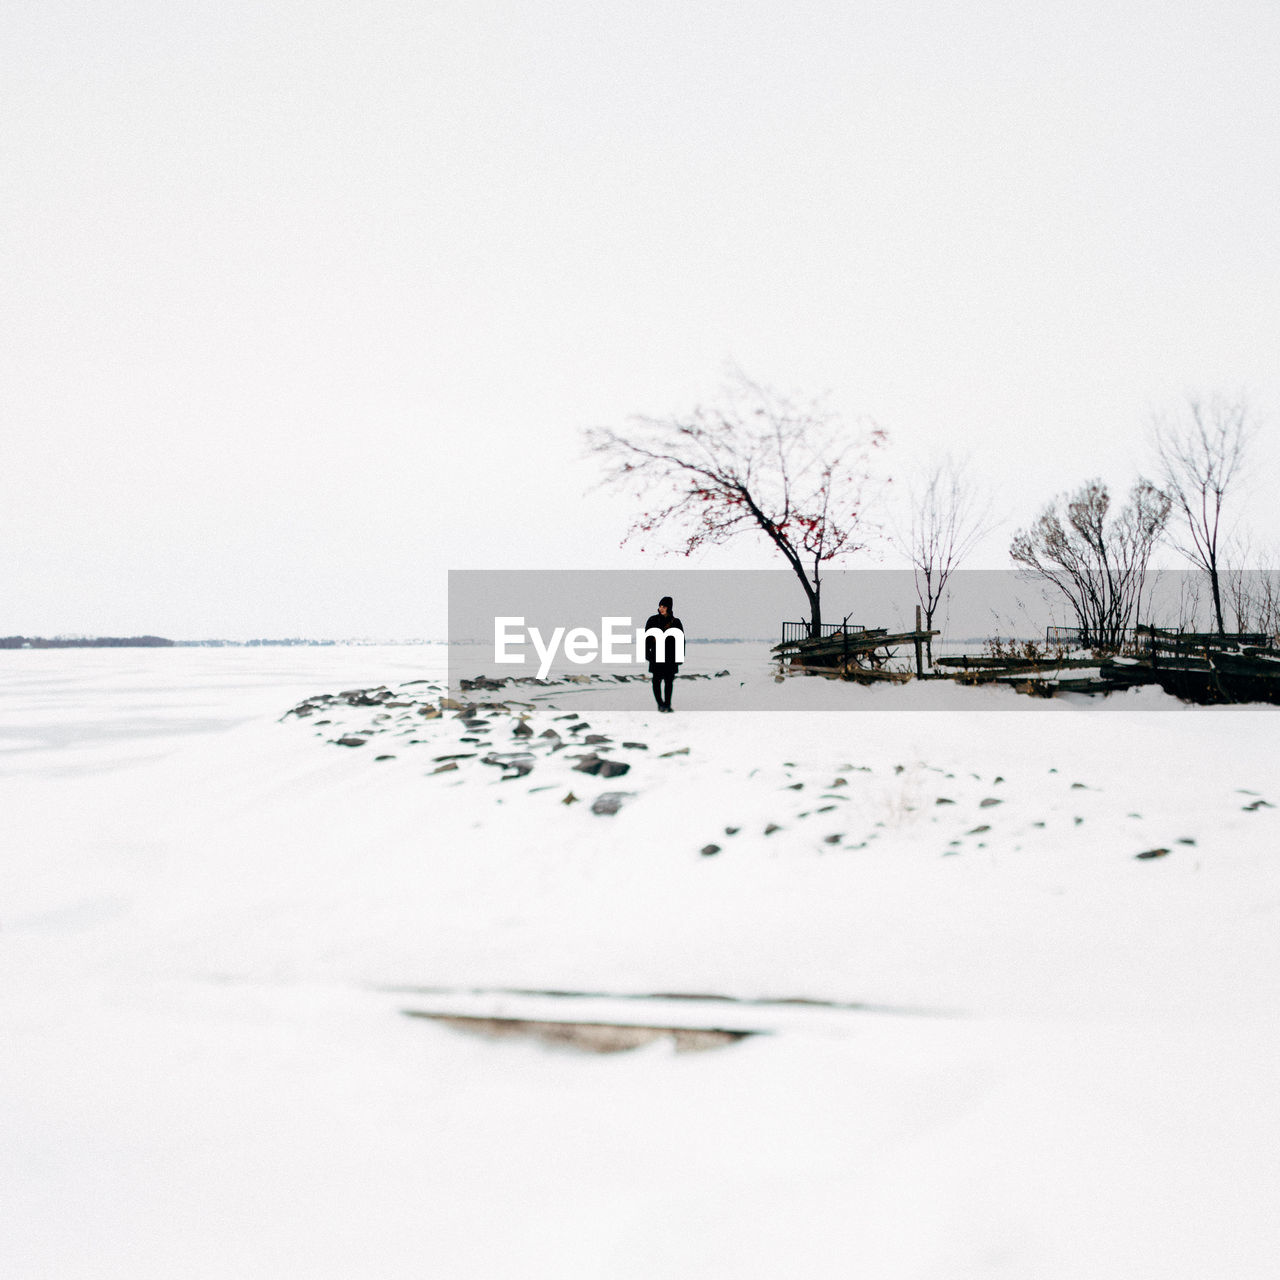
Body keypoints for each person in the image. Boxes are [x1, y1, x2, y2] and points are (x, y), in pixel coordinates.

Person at [644, 595, 684, 712]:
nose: (661, 608)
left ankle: (667, 704)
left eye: (664, 606)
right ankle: (660, 704)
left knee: (668, 681)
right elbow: (647, 638)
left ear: (669, 607)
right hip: (656, 655)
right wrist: (647, 653)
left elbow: (681, 640)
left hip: (671, 657)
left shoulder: (676, 622)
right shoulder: (652, 620)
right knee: (656, 681)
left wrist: (680, 657)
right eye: (660, 606)